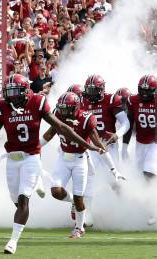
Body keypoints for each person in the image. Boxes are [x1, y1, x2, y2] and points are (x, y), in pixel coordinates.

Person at [0, 74, 104, 254]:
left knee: (23, 201)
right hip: (12, 159)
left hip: (31, 157)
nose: (11, 96)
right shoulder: (1, 107)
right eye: (9, 92)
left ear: (24, 91)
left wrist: (87, 146)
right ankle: (39, 180)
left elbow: (61, 127)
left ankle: (12, 242)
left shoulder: (37, 102)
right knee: (16, 201)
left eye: (15, 91)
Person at [42, 92, 107, 238]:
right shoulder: (57, 115)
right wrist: (35, 148)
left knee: (80, 198)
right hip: (63, 158)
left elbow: (95, 139)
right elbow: (49, 134)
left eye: (66, 109)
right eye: (61, 108)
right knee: (56, 191)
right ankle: (71, 200)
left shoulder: (86, 118)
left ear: (75, 108)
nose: (62, 111)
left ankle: (79, 228)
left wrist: (101, 148)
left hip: (79, 159)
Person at [79, 74, 128, 225]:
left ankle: (125, 206)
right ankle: (88, 215)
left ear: (101, 90)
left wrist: (117, 135)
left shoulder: (112, 100)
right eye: (89, 90)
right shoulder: (82, 101)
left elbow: (125, 122)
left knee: (113, 180)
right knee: (88, 178)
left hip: (108, 145)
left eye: (94, 90)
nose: (91, 94)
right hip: (92, 146)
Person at [126, 74, 157, 225]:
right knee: (141, 179)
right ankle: (151, 207)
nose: (144, 94)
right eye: (142, 91)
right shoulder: (133, 100)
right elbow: (130, 122)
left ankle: (156, 211)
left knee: (149, 174)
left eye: (147, 91)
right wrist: (125, 146)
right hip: (140, 143)